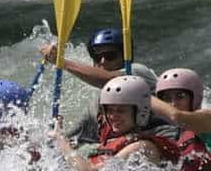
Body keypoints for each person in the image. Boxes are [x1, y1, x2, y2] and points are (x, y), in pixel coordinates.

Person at [40, 27, 176, 144]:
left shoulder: (138, 72)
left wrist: (62, 62)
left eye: (110, 55)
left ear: (125, 56)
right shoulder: (98, 105)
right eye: (97, 57)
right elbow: (72, 139)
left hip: (165, 142)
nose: (103, 61)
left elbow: (111, 80)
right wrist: (55, 136)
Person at [53, 75, 179, 171]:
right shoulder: (109, 139)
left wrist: (60, 139)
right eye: (110, 110)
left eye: (121, 110)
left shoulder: (143, 147)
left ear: (141, 111)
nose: (113, 116)